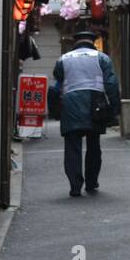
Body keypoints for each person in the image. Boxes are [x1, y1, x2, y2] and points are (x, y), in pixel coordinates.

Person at [50, 28, 121, 197]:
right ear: (93, 43)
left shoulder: (63, 59)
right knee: (93, 145)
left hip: (70, 105)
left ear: (75, 43)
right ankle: (91, 182)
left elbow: (54, 88)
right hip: (95, 104)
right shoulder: (102, 58)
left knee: (72, 147)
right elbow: (111, 85)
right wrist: (114, 111)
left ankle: (75, 186)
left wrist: (55, 111)